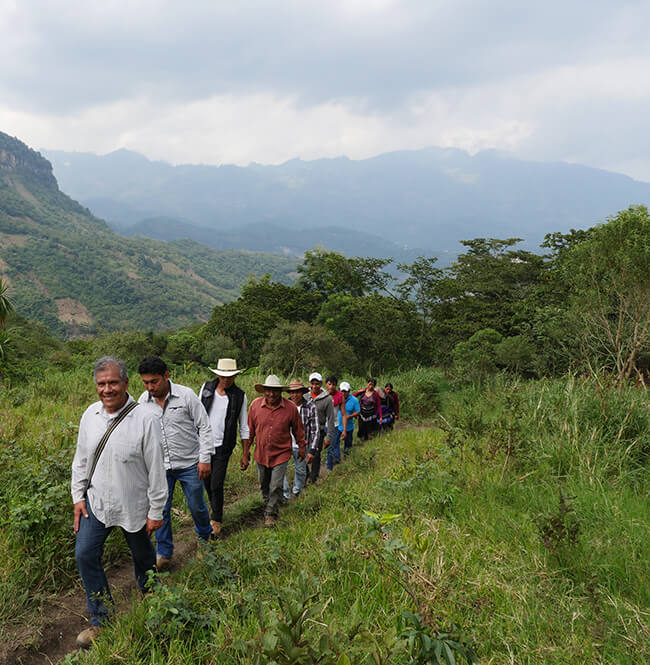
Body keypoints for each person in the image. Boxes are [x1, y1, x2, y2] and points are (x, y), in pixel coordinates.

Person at [71, 356, 167, 648]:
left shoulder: (145, 419)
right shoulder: (90, 415)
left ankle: (153, 601)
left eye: (113, 382)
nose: (107, 389)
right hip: (97, 502)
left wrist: (156, 511)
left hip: (134, 505)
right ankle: (102, 619)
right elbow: (81, 460)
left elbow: (156, 469)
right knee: (85, 554)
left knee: (143, 558)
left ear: (125, 383)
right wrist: (78, 497)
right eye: (102, 383)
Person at [137, 356, 213, 570]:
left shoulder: (186, 396)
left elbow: (204, 427)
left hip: (190, 463)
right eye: (146, 382)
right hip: (160, 467)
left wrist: (204, 459)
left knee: (197, 506)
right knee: (160, 509)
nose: (150, 387)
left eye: (154, 381)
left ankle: (205, 541)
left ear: (166, 375)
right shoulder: (143, 403)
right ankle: (164, 552)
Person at [243, 375, 306, 526]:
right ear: (264, 391)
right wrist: (246, 452)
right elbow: (249, 430)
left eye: (275, 391)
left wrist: (302, 447)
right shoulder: (255, 406)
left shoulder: (290, 408)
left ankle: (271, 513)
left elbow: (298, 429)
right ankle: (268, 505)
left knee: (276, 485)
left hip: (281, 453)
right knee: (263, 484)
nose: (272, 394)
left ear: (280, 392)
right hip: (261, 453)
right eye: (268, 391)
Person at [199, 358, 250, 537]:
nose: (226, 380)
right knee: (206, 481)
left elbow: (244, 425)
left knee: (216, 483)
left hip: (223, 447)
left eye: (230, 377)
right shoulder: (206, 389)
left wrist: (245, 453)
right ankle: (214, 510)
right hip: (203, 445)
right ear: (218, 375)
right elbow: (197, 416)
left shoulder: (239, 396)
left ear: (235, 376)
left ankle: (216, 519)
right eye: (223, 376)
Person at [282, 379, 319, 500]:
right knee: (280, 470)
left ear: (302, 392)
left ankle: (297, 492)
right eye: (292, 392)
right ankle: (285, 494)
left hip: (302, 445)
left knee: (301, 471)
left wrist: (312, 450)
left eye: (297, 392)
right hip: (285, 445)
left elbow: (315, 430)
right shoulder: (284, 406)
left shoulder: (310, 406)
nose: (294, 395)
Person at [306, 372, 336, 482]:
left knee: (316, 454)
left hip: (319, 430)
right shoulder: (305, 396)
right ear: (309, 383)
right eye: (312, 383)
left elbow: (331, 419)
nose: (314, 386)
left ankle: (313, 477)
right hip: (305, 430)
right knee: (303, 453)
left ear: (321, 384)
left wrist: (328, 437)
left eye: (317, 384)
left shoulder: (327, 399)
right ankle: (305, 474)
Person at [325, 375, 345, 470]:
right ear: (326, 385)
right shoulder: (322, 395)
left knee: (330, 447)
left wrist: (344, 430)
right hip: (321, 424)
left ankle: (329, 468)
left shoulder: (340, 396)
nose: (331, 386)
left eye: (333, 384)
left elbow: (344, 414)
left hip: (334, 425)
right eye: (329, 384)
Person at [338, 381, 360, 456]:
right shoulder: (336, 398)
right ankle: (336, 459)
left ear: (349, 391)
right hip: (337, 425)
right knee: (334, 444)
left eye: (345, 391)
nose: (343, 393)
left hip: (349, 427)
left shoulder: (354, 400)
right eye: (342, 391)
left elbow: (358, 412)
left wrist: (349, 416)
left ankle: (347, 458)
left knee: (348, 445)